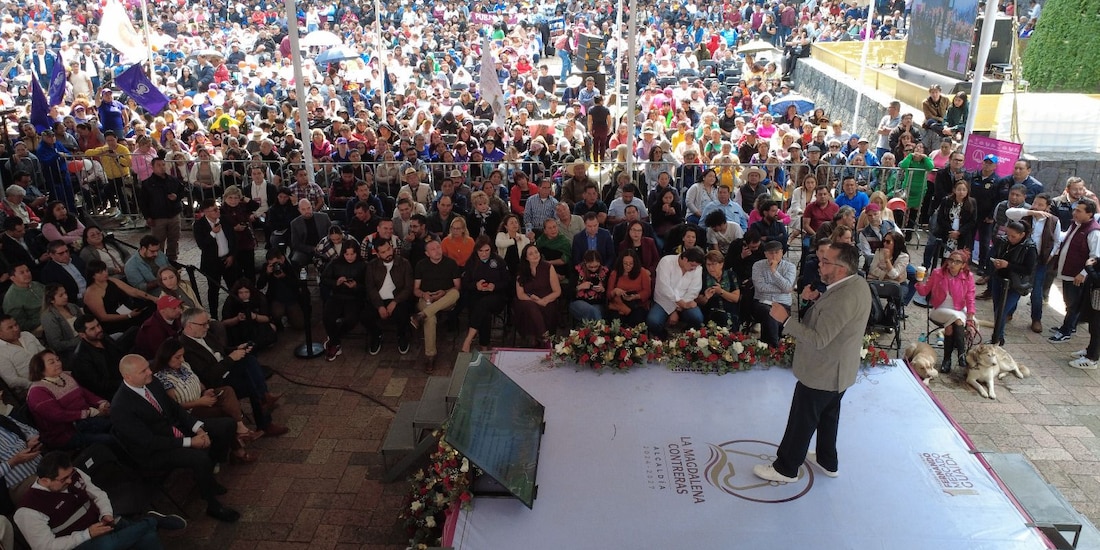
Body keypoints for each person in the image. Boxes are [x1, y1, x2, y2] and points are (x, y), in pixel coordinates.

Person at [752, 242, 872, 484]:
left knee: (802, 420)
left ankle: (786, 468)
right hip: (840, 371)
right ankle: (828, 461)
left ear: (840, 268)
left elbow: (819, 339)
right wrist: (814, 300)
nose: (820, 264)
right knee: (828, 416)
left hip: (823, 372)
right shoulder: (855, 283)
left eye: (825, 261)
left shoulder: (843, 297)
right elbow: (830, 320)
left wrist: (785, 320)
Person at [110, 354, 241, 523]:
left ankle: (207, 474)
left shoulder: (152, 382)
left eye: (148, 367)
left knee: (227, 426)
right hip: (153, 451)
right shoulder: (121, 408)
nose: (150, 372)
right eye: (144, 371)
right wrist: (190, 442)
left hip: (173, 430)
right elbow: (149, 442)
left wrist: (197, 427)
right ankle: (213, 505)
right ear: (128, 377)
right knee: (199, 458)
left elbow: (175, 408)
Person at [15, 451, 164, 549]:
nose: (69, 480)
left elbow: (98, 494)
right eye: (63, 479)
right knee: (108, 545)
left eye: (70, 474)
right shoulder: (28, 511)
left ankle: (147, 525)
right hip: (76, 543)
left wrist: (106, 513)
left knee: (148, 537)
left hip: (99, 523)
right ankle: (153, 521)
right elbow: (46, 547)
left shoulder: (73, 474)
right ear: (45, 480)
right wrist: (87, 534)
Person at [179, 309, 287, 437]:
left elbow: (221, 351)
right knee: (251, 381)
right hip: (217, 382)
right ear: (190, 325)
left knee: (249, 360)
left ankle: (264, 402)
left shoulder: (203, 334)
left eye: (207, 323)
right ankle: (265, 411)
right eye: (203, 324)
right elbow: (208, 376)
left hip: (227, 370)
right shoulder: (185, 347)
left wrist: (237, 348)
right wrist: (231, 358)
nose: (207, 327)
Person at [152, 339, 260, 463]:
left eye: (182, 355)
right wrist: (199, 402)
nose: (182, 360)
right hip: (190, 412)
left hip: (202, 399)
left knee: (227, 390)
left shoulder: (184, 365)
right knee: (224, 412)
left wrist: (205, 392)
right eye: (178, 357)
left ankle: (240, 428)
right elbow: (174, 408)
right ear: (166, 357)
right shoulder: (162, 378)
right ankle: (238, 450)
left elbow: (198, 382)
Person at [26, 350, 113, 450]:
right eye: (52, 362)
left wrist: (101, 403)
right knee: (110, 438)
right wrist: (90, 412)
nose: (58, 363)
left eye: (57, 359)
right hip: (66, 433)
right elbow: (58, 415)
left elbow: (83, 392)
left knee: (118, 421)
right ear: (40, 368)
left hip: (84, 420)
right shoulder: (37, 392)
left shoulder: (64, 376)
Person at [915, 249, 978, 373]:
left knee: (950, 326)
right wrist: (919, 281)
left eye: (957, 262)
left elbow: (970, 298)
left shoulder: (967, 277)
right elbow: (924, 291)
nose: (952, 264)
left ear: (963, 265)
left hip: (958, 309)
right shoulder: (937, 273)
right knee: (957, 319)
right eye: (951, 260)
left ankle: (947, 360)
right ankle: (961, 353)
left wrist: (970, 319)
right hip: (939, 309)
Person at [1006, 193, 1059, 334]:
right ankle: (1008, 313)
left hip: (1040, 260)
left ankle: (1036, 319)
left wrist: (1050, 255)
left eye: (1041, 205)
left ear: (1048, 207)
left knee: (1036, 291)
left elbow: (1057, 241)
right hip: (1021, 257)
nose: (1037, 207)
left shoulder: (1053, 221)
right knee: (1015, 285)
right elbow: (1009, 213)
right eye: (1035, 203)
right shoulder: (1025, 215)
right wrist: (1031, 211)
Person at [1050, 200, 1100, 343]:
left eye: (1079, 211)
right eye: (1075, 210)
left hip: (1077, 276)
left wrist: (1083, 274)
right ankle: (1069, 326)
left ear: (1089, 214)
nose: (1074, 213)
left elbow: (1095, 257)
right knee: (1069, 302)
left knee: (1073, 304)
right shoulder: (1075, 224)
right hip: (1068, 272)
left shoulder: (1094, 232)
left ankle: (1066, 331)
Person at [411, 239, 462, 370]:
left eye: (438, 248)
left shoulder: (451, 263)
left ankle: (421, 315)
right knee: (430, 318)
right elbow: (415, 289)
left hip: (445, 297)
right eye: (433, 249)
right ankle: (430, 356)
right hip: (427, 297)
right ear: (427, 253)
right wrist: (423, 294)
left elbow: (457, 287)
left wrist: (444, 292)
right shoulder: (421, 265)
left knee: (455, 294)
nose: (437, 251)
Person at [988, 221, 1038, 346]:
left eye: (1013, 236)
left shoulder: (1029, 247)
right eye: (1008, 235)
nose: (1010, 238)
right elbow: (992, 253)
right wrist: (994, 262)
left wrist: (1008, 265)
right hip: (998, 278)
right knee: (997, 309)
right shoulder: (1003, 241)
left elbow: (1028, 269)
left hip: (1015, 284)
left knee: (1002, 310)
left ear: (1022, 235)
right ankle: (999, 337)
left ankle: (997, 339)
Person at [460, 237, 512, 352]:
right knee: (483, 310)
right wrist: (476, 285)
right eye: (481, 251)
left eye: (487, 250)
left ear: (491, 249)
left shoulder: (498, 261)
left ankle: (468, 339)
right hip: (477, 295)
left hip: (496, 296)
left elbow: (507, 281)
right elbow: (465, 283)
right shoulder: (471, 262)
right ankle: (484, 346)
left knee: (483, 305)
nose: (484, 254)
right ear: (476, 250)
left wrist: (495, 286)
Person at [362, 239, 414, 356]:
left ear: (392, 247)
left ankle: (401, 335)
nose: (388, 253)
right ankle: (376, 335)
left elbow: (408, 287)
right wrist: (379, 306)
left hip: (397, 298)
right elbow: (370, 288)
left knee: (402, 314)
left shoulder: (404, 263)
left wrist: (395, 302)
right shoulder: (372, 266)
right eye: (383, 252)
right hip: (378, 300)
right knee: (365, 316)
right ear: (378, 254)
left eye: (389, 249)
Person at [81, 260, 156, 338]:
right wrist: (129, 315)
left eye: (105, 270)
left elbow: (133, 291)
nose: (105, 273)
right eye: (101, 272)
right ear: (93, 275)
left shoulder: (111, 280)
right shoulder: (91, 293)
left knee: (151, 306)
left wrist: (154, 298)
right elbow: (103, 317)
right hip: (111, 322)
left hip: (123, 311)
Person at [321, 243, 367, 361]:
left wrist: (356, 286)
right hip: (337, 295)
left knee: (351, 319)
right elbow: (324, 279)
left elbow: (368, 285)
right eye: (347, 254)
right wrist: (336, 283)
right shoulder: (335, 263)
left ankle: (333, 339)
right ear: (343, 254)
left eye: (352, 254)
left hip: (354, 298)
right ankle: (335, 343)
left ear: (357, 253)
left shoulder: (363, 265)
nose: (350, 257)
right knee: (327, 316)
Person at [646, 247, 706, 338]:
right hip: (664, 301)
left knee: (697, 318)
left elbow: (694, 290)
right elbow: (664, 288)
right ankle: (663, 336)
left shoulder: (697, 268)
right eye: (692, 265)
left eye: (696, 266)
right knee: (653, 321)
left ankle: (685, 336)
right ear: (685, 259)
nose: (694, 268)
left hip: (685, 302)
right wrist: (673, 309)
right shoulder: (666, 262)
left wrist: (680, 307)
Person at [193, 199, 236, 317]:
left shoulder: (225, 220)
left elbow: (232, 238)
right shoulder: (199, 225)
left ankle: (235, 311)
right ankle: (213, 315)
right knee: (213, 290)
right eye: (214, 210)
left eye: (218, 208)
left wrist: (231, 255)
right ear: (206, 212)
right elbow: (202, 245)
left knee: (233, 287)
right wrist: (212, 233)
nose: (218, 211)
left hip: (228, 259)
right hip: (212, 263)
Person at [137, 157, 185, 262]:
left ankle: (172, 259)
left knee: (174, 239)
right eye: (158, 165)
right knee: (158, 241)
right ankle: (159, 261)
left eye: (163, 165)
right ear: (152, 167)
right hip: (158, 217)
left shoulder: (173, 180)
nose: (162, 167)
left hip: (173, 215)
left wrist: (176, 196)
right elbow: (143, 202)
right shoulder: (147, 184)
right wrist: (147, 217)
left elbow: (183, 191)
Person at [514, 244, 561, 348]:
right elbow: (520, 294)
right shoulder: (522, 270)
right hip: (528, 300)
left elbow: (557, 291)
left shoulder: (548, 267)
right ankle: (545, 338)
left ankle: (541, 339)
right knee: (530, 307)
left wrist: (544, 300)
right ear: (526, 258)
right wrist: (536, 300)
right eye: (531, 254)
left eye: (536, 252)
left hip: (546, 300)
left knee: (546, 308)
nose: (535, 255)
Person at [752, 241, 797, 346]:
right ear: (765, 254)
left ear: (782, 252)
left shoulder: (790, 267)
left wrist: (773, 271)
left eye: (777, 252)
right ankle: (774, 346)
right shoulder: (758, 266)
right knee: (770, 312)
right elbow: (761, 287)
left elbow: (787, 287)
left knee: (773, 314)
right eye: (771, 253)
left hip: (783, 303)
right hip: (761, 302)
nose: (774, 255)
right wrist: (782, 289)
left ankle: (768, 346)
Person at [0, 314, 45, 395]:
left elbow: (44, 353)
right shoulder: (1, 352)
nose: (16, 329)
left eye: (16, 324)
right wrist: (35, 384)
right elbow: (12, 380)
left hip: (50, 373)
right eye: (10, 328)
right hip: (29, 388)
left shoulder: (27, 335)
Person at [607, 249, 652, 327]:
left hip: (637, 305)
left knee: (637, 318)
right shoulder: (615, 273)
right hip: (619, 305)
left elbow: (647, 292)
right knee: (615, 322)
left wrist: (635, 296)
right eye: (625, 264)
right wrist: (615, 291)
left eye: (631, 264)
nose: (628, 266)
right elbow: (608, 295)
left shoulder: (642, 272)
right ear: (621, 263)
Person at [133, 295, 185, 360]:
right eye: (174, 308)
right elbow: (161, 355)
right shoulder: (152, 329)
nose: (179, 310)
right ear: (162, 311)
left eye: (179, 306)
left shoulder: (176, 317)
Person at [699, 250, 741, 327]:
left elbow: (736, 298)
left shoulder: (730, 275)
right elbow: (699, 301)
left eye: (714, 264)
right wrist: (706, 297)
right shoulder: (703, 277)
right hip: (711, 310)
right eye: (708, 265)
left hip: (730, 310)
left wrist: (721, 292)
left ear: (721, 264)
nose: (711, 268)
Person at [40, 241, 88, 305]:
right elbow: (58, 293)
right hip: (77, 300)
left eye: (67, 251)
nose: (66, 255)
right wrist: (81, 295)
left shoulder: (75, 258)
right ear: (51, 255)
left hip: (92, 289)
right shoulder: (49, 272)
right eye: (61, 253)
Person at [41, 283, 83, 356]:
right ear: (51, 300)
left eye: (65, 293)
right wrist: (79, 340)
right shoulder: (48, 317)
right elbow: (57, 345)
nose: (66, 296)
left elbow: (84, 321)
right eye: (61, 295)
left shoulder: (72, 306)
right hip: (70, 351)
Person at [4, 263, 46, 334]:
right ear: (12, 278)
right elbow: (21, 324)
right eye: (22, 273)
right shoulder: (11, 299)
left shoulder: (35, 284)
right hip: (38, 326)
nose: (27, 274)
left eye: (28, 271)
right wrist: (45, 318)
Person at [570, 250, 609, 323]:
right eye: (591, 267)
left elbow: (609, 293)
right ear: (585, 262)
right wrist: (580, 287)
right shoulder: (577, 271)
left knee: (595, 311)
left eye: (596, 266)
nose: (593, 269)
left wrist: (602, 290)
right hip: (579, 301)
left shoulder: (605, 272)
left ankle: (592, 331)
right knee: (593, 311)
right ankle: (600, 330)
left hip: (597, 302)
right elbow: (568, 292)